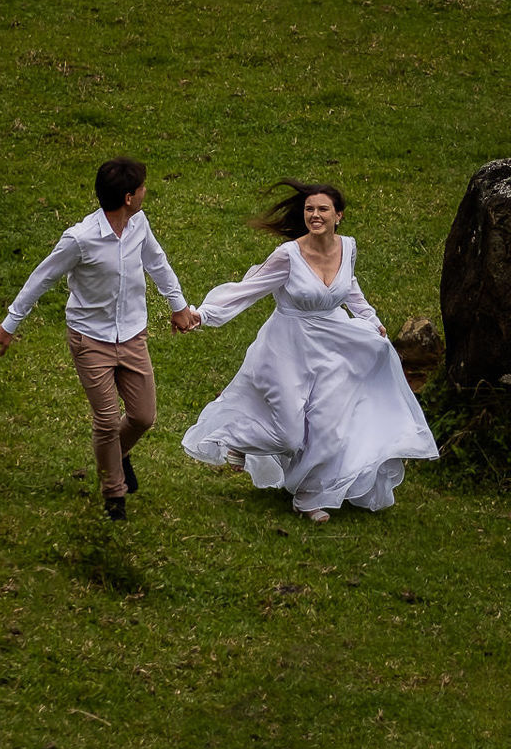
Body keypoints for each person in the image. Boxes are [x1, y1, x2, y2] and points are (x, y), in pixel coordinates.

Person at [180, 180, 438, 523]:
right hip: (286, 347)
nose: (314, 215)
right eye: (309, 210)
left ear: (338, 216)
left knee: (328, 428)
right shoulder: (288, 255)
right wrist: (203, 314)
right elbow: (248, 290)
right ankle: (237, 438)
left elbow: (351, 288)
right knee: (288, 436)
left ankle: (308, 497)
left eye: (322, 210)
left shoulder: (348, 247)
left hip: (335, 348)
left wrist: (371, 320)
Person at [0, 157, 200, 521]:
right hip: (90, 340)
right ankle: (114, 495)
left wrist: (178, 306)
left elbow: (157, 263)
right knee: (105, 422)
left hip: (133, 335)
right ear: (130, 196)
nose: (147, 191)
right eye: (143, 187)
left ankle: (116, 454)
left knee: (143, 416)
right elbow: (42, 278)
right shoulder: (80, 239)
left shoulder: (139, 224)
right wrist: (9, 324)